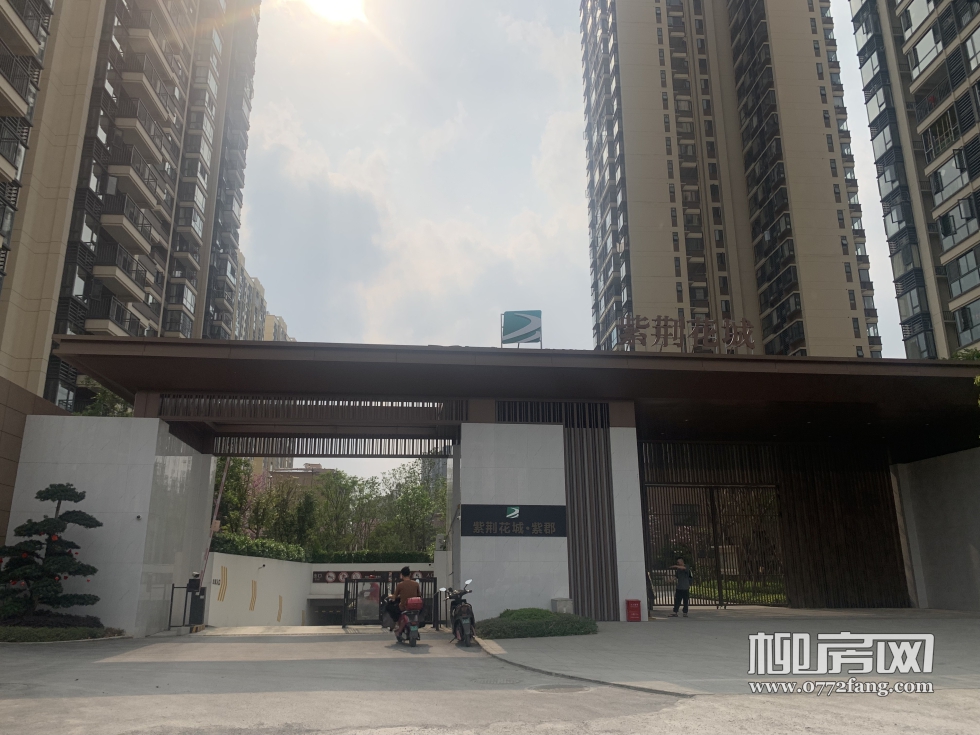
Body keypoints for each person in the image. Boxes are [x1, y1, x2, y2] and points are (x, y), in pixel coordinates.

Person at [388, 566, 421, 633]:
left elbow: (394, 596)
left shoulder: (400, 585)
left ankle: (396, 623)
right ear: (410, 574)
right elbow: (419, 595)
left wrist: (390, 596)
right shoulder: (416, 584)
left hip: (404, 607)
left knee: (390, 607)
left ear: (402, 575)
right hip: (415, 607)